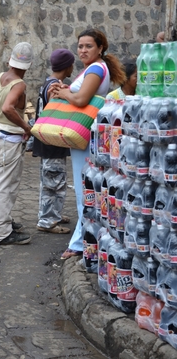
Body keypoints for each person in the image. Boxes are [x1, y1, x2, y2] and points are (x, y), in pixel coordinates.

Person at [49, 29, 126, 259]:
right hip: (84, 134)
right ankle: (86, 240)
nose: (83, 50)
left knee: (85, 191)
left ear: (100, 48)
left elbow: (82, 99)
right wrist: (65, 90)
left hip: (84, 134)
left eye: (88, 46)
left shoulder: (95, 68)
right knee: (87, 188)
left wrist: (64, 94)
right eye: (80, 46)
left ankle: (80, 244)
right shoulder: (94, 67)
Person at [0, 42, 34, 245]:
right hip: (6, 140)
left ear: (10, 61)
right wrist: (26, 127)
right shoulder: (19, 84)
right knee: (4, 187)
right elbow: (7, 108)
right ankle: (2, 233)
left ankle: (0, 222)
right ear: (28, 66)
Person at [33, 49, 75, 234]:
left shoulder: (47, 83)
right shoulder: (56, 87)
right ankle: (48, 221)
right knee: (54, 181)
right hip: (52, 142)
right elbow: (56, 112)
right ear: (67, 66)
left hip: (45, 141)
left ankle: (52, 213)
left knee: (51, 179)